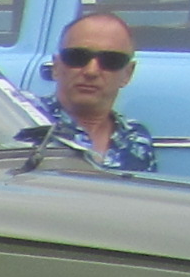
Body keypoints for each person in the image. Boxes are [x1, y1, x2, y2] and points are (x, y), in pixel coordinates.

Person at [46, 9, 157, 172]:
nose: (91, 71)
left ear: (128, 73)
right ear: (56, 66)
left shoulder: (137, 139)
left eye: (111, 60)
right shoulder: (24, 125)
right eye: (77, 57)